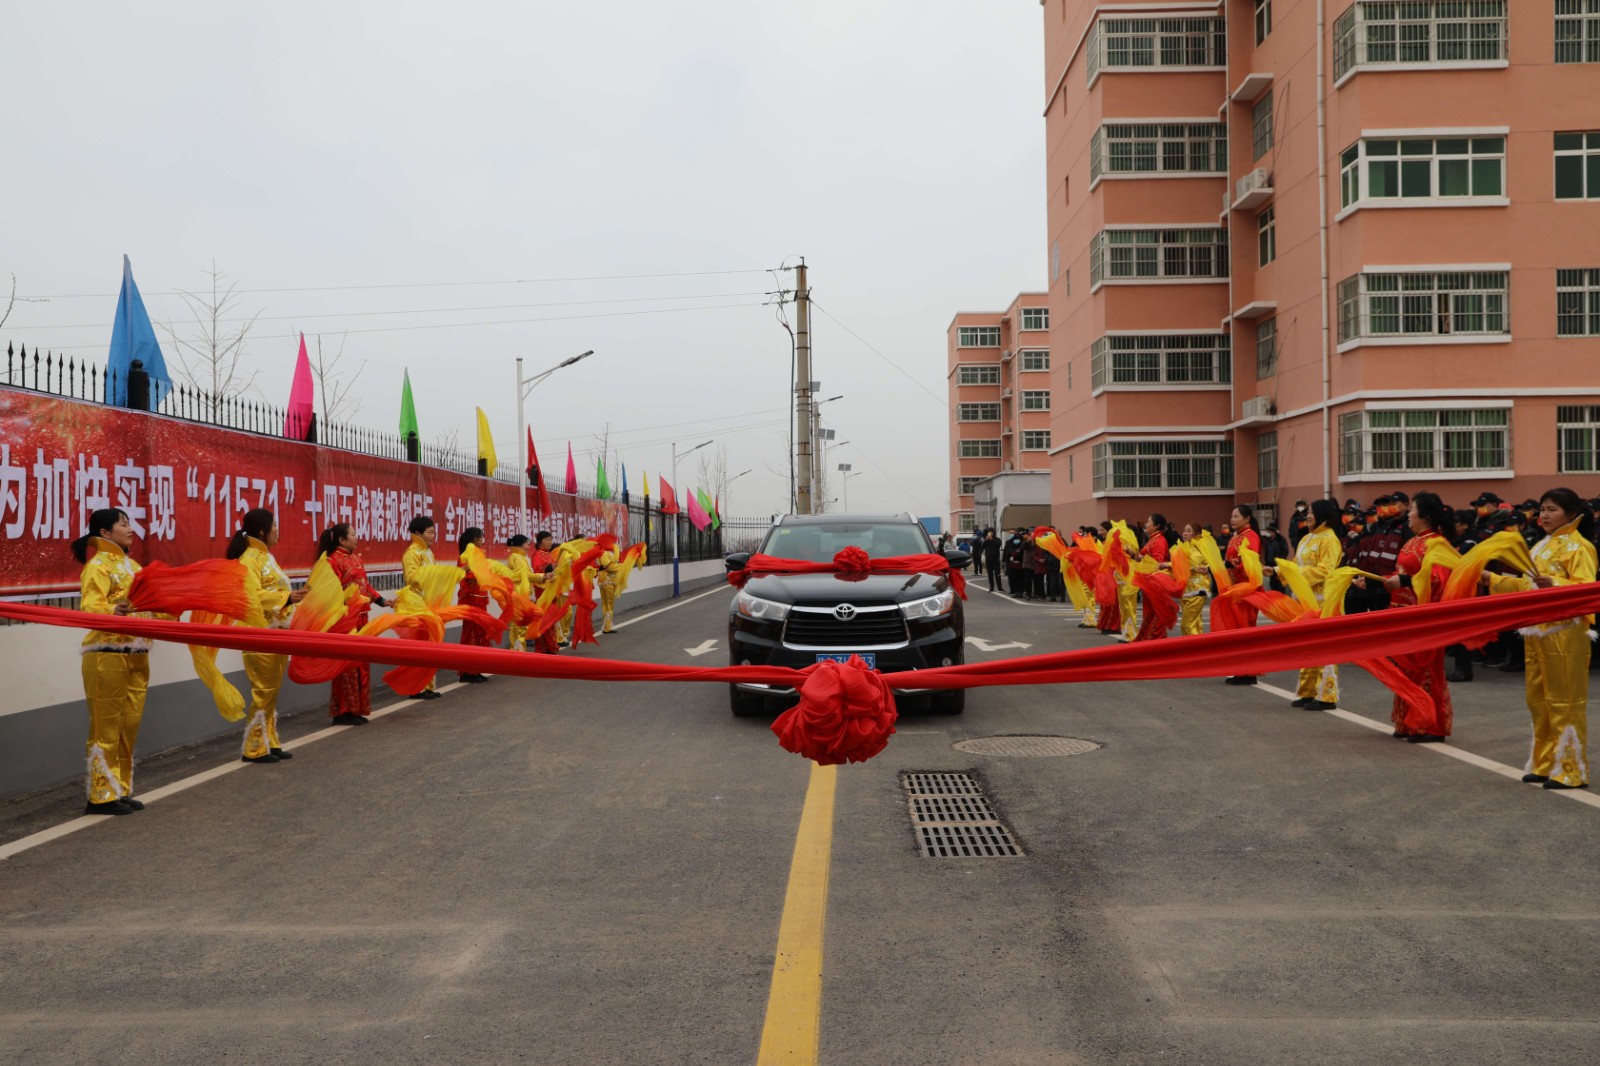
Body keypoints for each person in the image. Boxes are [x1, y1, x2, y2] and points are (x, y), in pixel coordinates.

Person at [1484, 488, 1596, 789]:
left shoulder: (1579, 546)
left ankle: (1571, 770)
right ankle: (1546, 763)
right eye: (1543, 509)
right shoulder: (1541, 546)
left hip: (1566, 633)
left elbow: (1587, 589)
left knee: (1565, 701)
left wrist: (1555, 583)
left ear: (1571, 514)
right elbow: (1524, 586)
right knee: (1538, 701)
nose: (1544, 515)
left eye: (1553, 510)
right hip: (1537, 632)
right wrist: (1491, 579)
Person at [72, 508, 150, 815]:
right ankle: (101, 794)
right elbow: (92, 608)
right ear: (104, 533)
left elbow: (147, 604)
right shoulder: (98, 566)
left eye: (129, 523)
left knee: (128, 726)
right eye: (124, 524)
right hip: (106, 654)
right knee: (106, 727)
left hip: (136, 653)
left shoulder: (134, 566)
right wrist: (112, 612)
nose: (131, 529)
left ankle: (120, 788)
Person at [1361, 492, 1455, 743]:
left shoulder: (1437, 544)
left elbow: (1437, 580)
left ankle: (1431, 725)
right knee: (1407, 670)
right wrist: (1374, 582)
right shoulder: (1413, 541)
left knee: (1427, 671)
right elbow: (1400, 572)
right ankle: (1408, 721)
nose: (1409, 514)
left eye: (1413, 509)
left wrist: (1401, 580)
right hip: (1403, 613)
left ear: (1424, 515)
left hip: (1425, 617)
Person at [228, 509, 308, 763]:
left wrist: (293, 599)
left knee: (271, 691)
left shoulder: (266, 557)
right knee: (264, 691)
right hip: (258, 634)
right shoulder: (249, 559)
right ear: (262, 530)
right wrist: (287, 597)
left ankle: (269, 741)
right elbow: (250, 595)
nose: (278, 530)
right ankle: (253, 747)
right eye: (275, 525)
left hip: (275, 634)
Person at [1277, 499, 1343, 710]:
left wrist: (1296, 574)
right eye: (1308, 512)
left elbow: (1326, 570)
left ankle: (1327, 696)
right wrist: (1278, 571)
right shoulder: (1306, 538)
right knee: (1306, 646)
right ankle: (1307, 692)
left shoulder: (1330, 539)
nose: (1307, 515)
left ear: (1323, 514)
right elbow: (1295, 564)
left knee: (1325, 647)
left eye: (1312, 512)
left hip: (1324, 600)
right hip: (1304, 601)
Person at [321, 522, 385, 724]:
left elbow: (364, 586)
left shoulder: (356, 559)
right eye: (353, 535)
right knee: (347, 666)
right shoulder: (331, 562)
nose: (357, 538)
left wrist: (382, 600)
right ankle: (344, 711)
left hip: (361, 617)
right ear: (341, 539)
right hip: (345, 619)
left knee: (361, 664)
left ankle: (356, 709)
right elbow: (331, 593)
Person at [400, 515, 442, 699]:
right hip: (417, 606)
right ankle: (416, 687)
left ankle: (427, 686)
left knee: (431, 646)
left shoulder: (428, 553)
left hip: (429, 605)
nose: (434, 535)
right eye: (430, 532)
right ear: (418, 533)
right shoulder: (411, 554)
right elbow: (412, 578)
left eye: (434, 531)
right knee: (419, 648)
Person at [1223, 505, 1262, 685]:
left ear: (1247, 518)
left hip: (1247, 588)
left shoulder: (1250, 536)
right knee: (1237, 628)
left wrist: (1233, 565)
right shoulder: (1236, 537)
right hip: (1236, 587)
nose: (1232, 519)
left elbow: (1249, 560)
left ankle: (1248, 671)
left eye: (1236, 516)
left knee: (1245, 628)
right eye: (1232, 516)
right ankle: (1241, 669)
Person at [455, 527, 492, 683]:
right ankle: (467, 671)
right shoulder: (465, 557)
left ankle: (476, 669)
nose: (483, 540)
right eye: (481, 537)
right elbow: (464, 575)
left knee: (479, 632)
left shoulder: (479, 555)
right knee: (470, 632)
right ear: (475, 539)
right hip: (470, 598)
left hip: (480, 597)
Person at [1134, 514, 1175, 641]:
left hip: (1155, 582)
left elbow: (1157, 563)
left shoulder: (1159, 541)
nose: (1146, 524)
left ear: (1156, 526)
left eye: (1149, 522)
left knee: (1156, 613)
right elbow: (1146, 559)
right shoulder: (1152, 539)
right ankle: (1148, 639)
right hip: (1148, 581)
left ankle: (1156, 640)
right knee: (1149, 613)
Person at [528, 531, 563, 655]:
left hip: (551, 591)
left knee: (550, 619)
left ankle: (550, 646)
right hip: (542, 591)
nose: (549, 542)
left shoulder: (549, 555)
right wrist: (551, 568)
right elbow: (538, 570)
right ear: (539, 542)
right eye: (546, 540)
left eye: (550, 539)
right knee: (544, 619)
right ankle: (545, 647)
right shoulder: (537, 555)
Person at [1177, 523, 1211, 636]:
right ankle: (1199, 649)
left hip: (1198, 589)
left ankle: (1191, 648)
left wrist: (1166, 565)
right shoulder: (1186, 547)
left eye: (1188, 531)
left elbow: (1190, 565)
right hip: (1187, 589)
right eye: (1184, 530)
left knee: (1186, 625)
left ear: (1196, 534)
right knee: (1196, 623)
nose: (1185, 533)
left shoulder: (1198, 549)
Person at [504, 534, 535, 651]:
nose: (529, 546)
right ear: (521, 544)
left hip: (522, 593)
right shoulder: (516, 557)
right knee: (518, 624)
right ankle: (517, 650)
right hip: (518, 594)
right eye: (527, 543)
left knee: (520, 624)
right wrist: (542, 577)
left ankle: (519, 649)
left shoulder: (520, 557)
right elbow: (524, 576)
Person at [596, 540, 622, 634]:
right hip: (606, 580)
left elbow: (614, 563)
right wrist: (622, 567)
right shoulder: (602, 553)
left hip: (611, 580)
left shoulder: (610, 553)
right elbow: (609, 567)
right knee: (608, 603)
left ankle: (608, 625)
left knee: (609, 604)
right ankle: (607, 627)